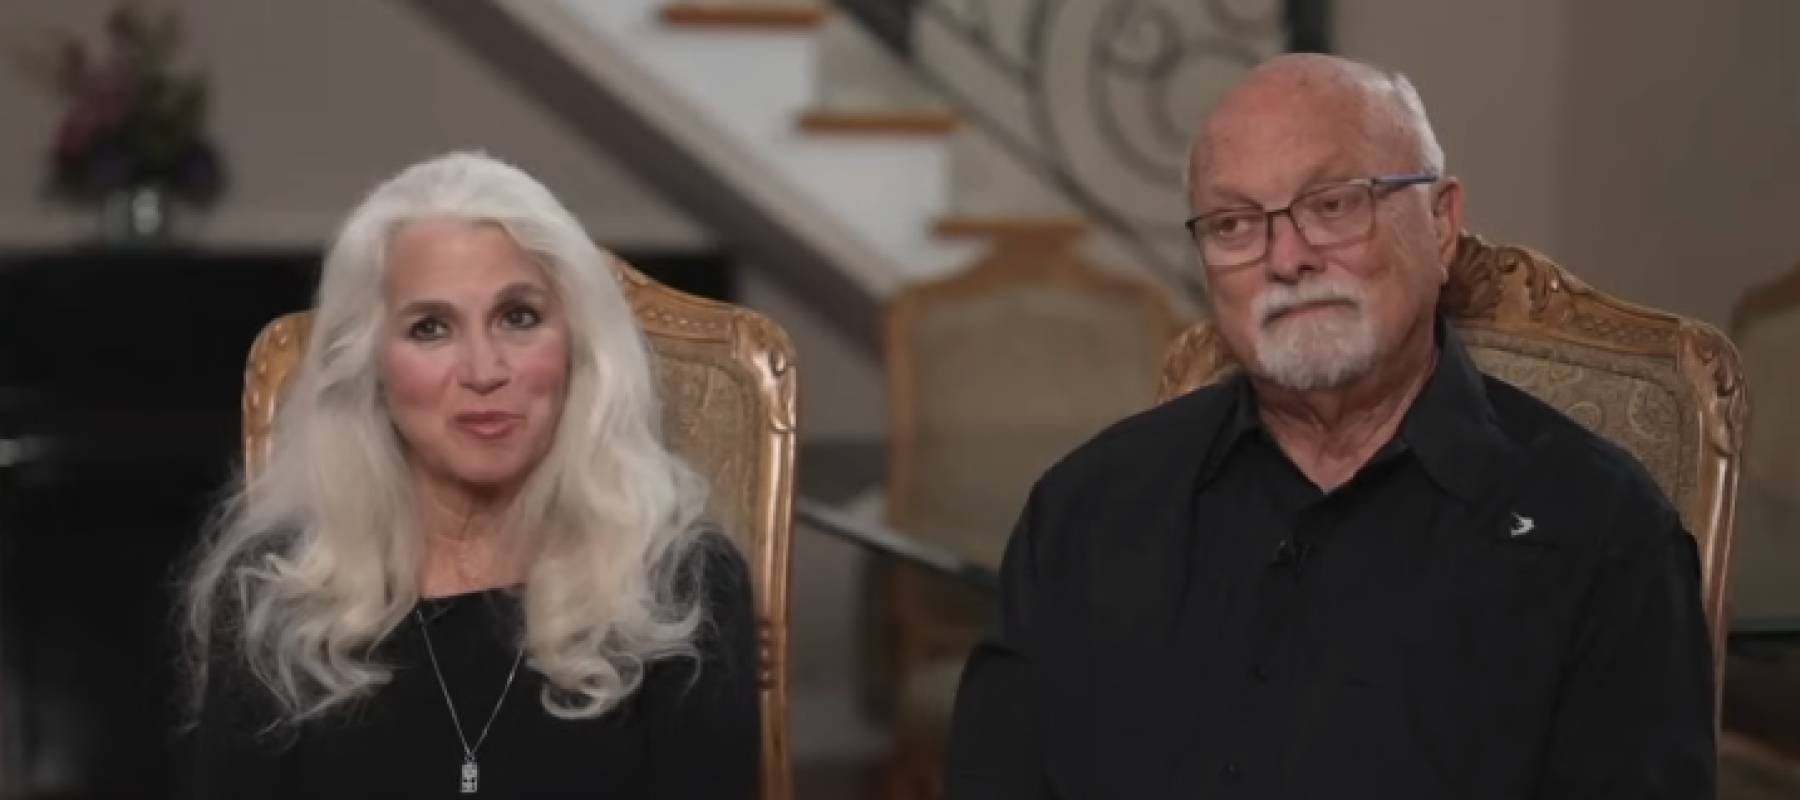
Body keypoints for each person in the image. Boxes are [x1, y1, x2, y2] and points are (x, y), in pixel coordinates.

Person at [943, 54, 1714, 799]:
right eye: (1235, 224)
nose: (1287, 258)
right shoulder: (1083, 513)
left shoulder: (1602, 533)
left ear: (1442, 224)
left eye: (1334, 203)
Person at [178, 152, 759, 798]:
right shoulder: (274, 598)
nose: (484, 370)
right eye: (431, 328)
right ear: (370, 369)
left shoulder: (682, 584)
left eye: (519, 317)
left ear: (577, 346)